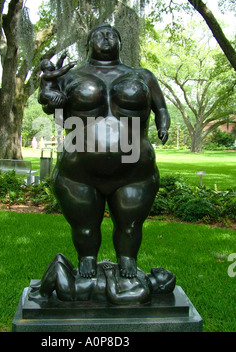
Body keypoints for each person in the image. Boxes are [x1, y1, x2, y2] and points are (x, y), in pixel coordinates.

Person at [38, 23, 170, 279]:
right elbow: (56, 114)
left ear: (122, 42)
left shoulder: (143, 76)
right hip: (79, 169)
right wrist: (49, 94)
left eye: (112, 34)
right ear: (88, 44)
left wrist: (163, 125)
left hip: (135, 169)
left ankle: (127, 259)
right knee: (84, 227)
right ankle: (87, 258)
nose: (107, 37)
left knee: (130, 225)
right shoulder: (68, 77)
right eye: (99, 34)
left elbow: (161, 108)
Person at [28, 253, 175, 304]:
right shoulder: (140, 273)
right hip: (83, 276)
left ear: (161, 286)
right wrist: (108, 264)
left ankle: (42, 294)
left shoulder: (143, 291)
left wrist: (110, 275)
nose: (164, 270)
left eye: (166, 274)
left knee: (59, 267)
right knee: (60, 257)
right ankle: (43, 285)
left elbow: (116, 297)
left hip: (76, 289)